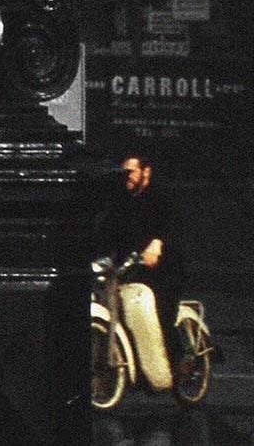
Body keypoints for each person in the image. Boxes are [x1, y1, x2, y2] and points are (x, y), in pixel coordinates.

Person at [101, 153, 183, 365]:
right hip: (131, 266)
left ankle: (178, 362)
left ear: (146, 172)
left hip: (164, 269)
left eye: (131, 172)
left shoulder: (161, 196)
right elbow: (108, 228)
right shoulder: (121, 199)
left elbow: (171, 225)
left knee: (161, 315)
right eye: (124, 172)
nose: (126, 177)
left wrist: (157, 244)